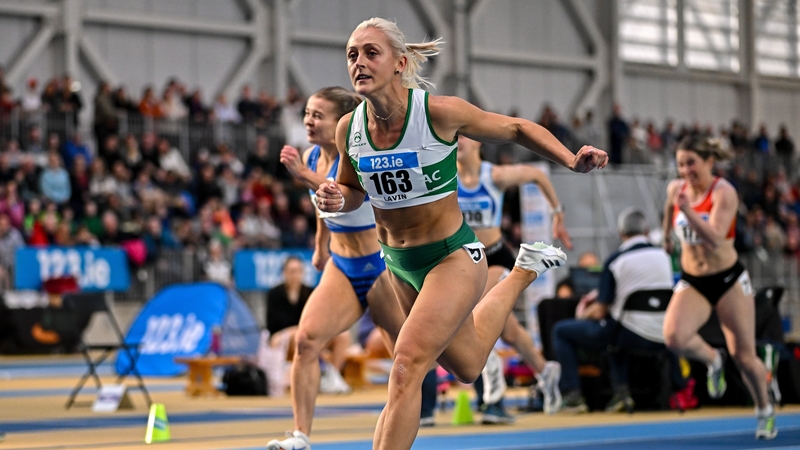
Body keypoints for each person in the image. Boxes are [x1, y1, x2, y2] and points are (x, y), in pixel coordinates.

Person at [315, 17, 607, 449]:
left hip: (451, 258)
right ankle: (523, 271)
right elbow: (354, 189)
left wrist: (569, 159)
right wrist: (339, 199)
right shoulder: (349, 129)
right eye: (352, 54)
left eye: (370, 52)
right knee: (468, 367)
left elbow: (516, 129)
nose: (358, 62)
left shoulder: (437, 113)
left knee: (406, 366)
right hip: (398, 265)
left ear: (400, 63)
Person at [266, 86, 400, 450]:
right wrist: (320, 243)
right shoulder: (311, 156)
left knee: (406, 359)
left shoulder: (358, 154)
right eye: (307, 113)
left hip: (381, 268)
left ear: (341, 121)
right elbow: (321, 205)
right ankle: (300, 437)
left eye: (318, 115)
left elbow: (337, 193)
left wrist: (301, 176)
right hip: (342, 266)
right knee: (306, 342)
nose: (309, 121)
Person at [420, 135, 568, 423]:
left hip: (496, 258)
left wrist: (557, 213)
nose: (458, 141)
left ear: (478, 143)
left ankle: (494, 396)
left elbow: (536, 174)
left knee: (475, 317)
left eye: (465, 136)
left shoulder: (495, 176)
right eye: (454, 137)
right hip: (464, 261)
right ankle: (545, 371)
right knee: (507, 329)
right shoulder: (445, 175)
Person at [662, 136, 776, 440]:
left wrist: (686, 212)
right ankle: (713, 359)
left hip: (727, 280)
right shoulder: (676, 189)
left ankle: (764, 409)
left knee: (744, 355)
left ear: (709, 162)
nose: (685, 170)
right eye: (680, 164)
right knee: (674, 337)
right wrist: (665, 236)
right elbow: (668, 210)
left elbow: (713, 238)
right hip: (693, 280)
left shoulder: (724, 192)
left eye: (691, 163)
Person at [552, 208, 679, 413]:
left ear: (621, 233)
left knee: (562, 330)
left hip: (627, 335)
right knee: (618, 327)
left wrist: (583, 314)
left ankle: (573, 396)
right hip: (666, 334)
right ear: (646, 230)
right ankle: (623, 393)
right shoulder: (666, 256)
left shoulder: (616, 261)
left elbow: (600, 311)